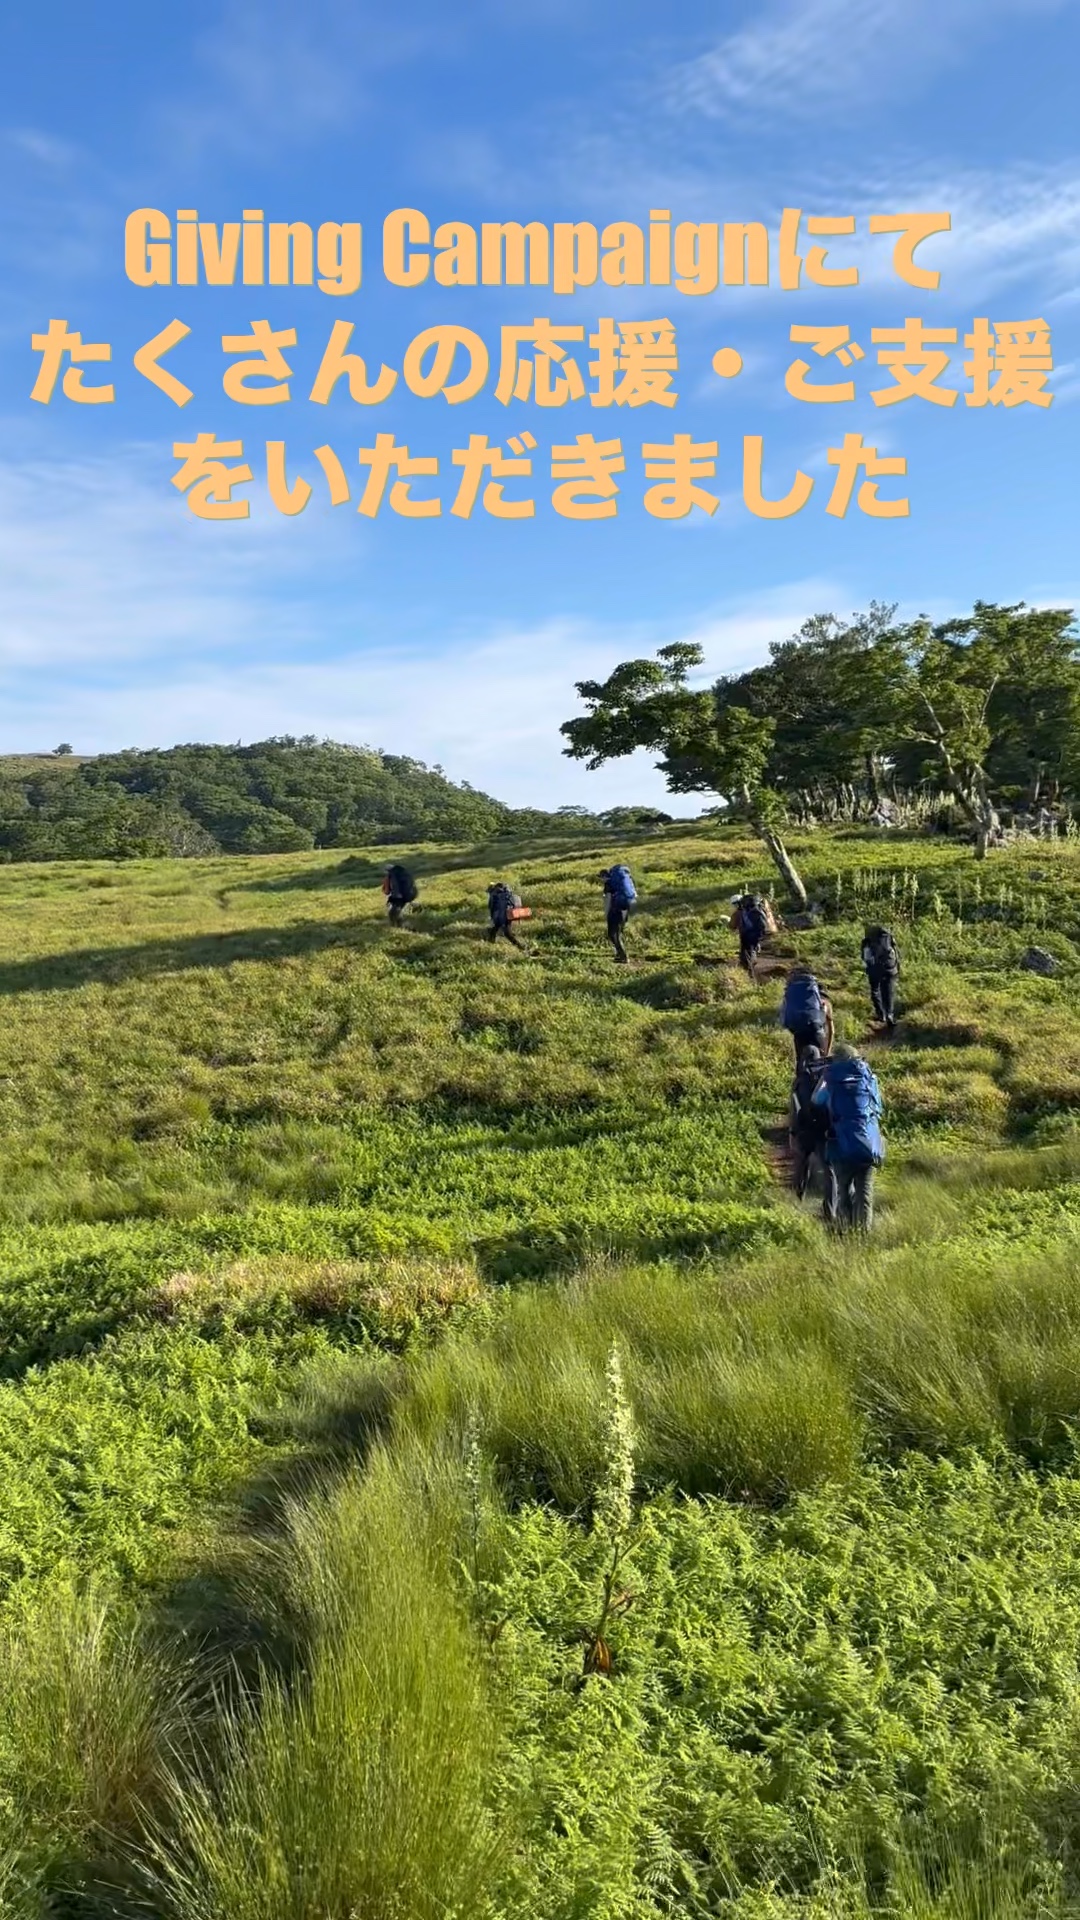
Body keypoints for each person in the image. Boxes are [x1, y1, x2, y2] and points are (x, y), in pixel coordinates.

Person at [811, 1042, 884, 1231]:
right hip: (868, 1144)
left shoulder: (833, 1083)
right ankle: (864, 1234)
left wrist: (824, 1077)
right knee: (864, 1192)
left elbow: (816, 1100)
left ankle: (846, 1231)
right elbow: (878, 1107)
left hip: (840, 1146)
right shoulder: (869, 1079)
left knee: (844, 1190)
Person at [788, 1043, 829, 1200]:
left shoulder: (799, 1081)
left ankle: (799, 1197)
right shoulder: (825, 1077)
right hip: (821, 1127)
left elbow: (794, 1106)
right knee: (828, 1169)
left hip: (803, 1128)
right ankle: (830, 1207)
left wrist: (792, 1131)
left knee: (802, 1166)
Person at [780, 965, 834, 1065]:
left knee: (801, 1064)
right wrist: (827, 1052)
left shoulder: (795, 998)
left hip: (798, 1032)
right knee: (821, 1068)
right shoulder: (824, 1003)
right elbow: (831, 1031)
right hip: (816, 1032)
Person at [728, 891, 778, 980]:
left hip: (748, 934)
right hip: (761, 932)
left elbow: (732, 926)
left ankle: (750, 975)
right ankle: (754, 961)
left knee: (746, 954)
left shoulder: (739, 913)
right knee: (752, 948)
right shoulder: (757, 907)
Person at [861, 924, 899, 1032]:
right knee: (889, 992)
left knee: (875, 990)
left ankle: (881, 1014)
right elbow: (896, 952)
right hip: (890, 968)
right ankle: (890, 1015)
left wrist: (869, 967)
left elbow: (865, 957)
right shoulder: (889, 937)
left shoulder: (867, 941)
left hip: (875, 970)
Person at [600, 864, 636, 964]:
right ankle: (618, 955)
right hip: (626, 908)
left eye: (601, 878)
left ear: (604, 877)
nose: (601, 880)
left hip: (615, 911)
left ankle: (623, 957)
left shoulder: (608, 885)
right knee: (618, 933)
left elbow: (608, 900)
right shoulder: (620, 885)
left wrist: (606, 914)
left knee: (612, 934)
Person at [487, 881, 527, 950]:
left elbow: (491, 907)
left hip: (501, 916)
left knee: (507, 933)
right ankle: (490, 944)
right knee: (494, 929)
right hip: (509, 913)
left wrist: (492, 918)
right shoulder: (505, 892)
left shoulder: (494, 894)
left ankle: (521, 947)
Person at [383, 862, 417, 927]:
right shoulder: (402, 872)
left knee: (393, 913)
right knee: (396, 912)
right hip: (408, 894)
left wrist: (395, 897)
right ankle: (401, 926)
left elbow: (395, 886)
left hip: (399, 897)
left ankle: (402, 927)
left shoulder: (393, 874)